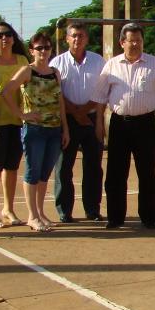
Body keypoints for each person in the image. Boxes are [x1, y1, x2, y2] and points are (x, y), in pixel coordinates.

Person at [92, 22, 155, 230]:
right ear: (122, 43)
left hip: (145, 123)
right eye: (131, 40)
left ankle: (148, 217)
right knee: (116, 173)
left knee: (147, 172)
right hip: (119, 124)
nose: (135, 44)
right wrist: (99, 124)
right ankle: (115, 217)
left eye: (139, 40)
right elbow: (100, 98)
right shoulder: (111, 65)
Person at [2, 31, 70, 232]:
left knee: (44, 174)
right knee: (32, 172)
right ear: (32, 50)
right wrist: (22, 115)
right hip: (35, 130)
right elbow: (6, 91)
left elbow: (60, 102)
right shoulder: (27, 71)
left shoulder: (55, 72)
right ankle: (32, 215)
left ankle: (40, 212)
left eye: (47, 47)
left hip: (54, 129)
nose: (43, 51)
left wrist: (65, 128)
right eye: (39, 47)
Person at [50, 21, 105, 223]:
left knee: (93, 167)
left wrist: (92, 117)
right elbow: (55, 93)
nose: (77, 39)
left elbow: (102, 91)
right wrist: (75, 111)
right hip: (67, 120)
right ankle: (65, 211)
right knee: (64, 167)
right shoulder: (57, 63)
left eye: (81, 35)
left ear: (87, 39)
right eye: (73, 35)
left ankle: (92, 209)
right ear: (66, 39)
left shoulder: (98, 61)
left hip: (91, 119)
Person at [0, 22, 29, 228]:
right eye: (0, 35)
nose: (5, 38)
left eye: (9, 34)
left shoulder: (22, 60)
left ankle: (8, 208)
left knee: (11, 167)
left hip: (17, 121)